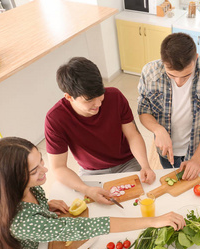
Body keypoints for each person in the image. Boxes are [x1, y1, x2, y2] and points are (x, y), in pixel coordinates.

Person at [0, 137, 185, 249]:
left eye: (40, 161)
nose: (45, 169)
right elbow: (88, 226)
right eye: (34, 170)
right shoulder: (22, 221)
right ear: (14, 179)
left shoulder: (21, 190)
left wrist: (45, 207)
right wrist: (152, 221)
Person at [45, 57, 155, 205]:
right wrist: (86, 189)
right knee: (95, 212)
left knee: (140, 203)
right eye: (89, 100)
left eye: (100, 95)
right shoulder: (55, 119)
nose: (98, 104)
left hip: (127, 163)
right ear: (69, 97)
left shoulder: (115, 97)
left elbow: (133, 135)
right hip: (91, 171)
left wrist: (145, 165)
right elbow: (58, 167)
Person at [138, 32, 200, 180]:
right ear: (163, 62)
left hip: (198, 150)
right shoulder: (149, 73)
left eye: (186, 75)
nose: (179, 82)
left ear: (196, 58)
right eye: (172, 75)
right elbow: (143, 111)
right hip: (166, 151)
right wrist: (158, 130)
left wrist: (196, 159)